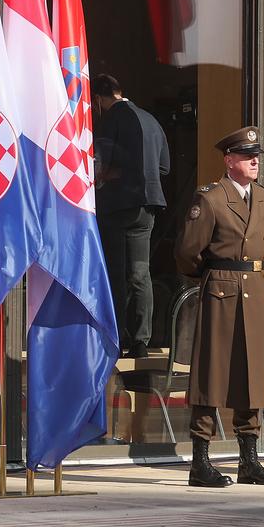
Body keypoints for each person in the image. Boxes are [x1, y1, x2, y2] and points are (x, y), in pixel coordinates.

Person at [176, 125, 264, 488]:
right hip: (221, 289)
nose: (254, 161)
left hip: (255, 289)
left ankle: (248, 460)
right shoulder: (211, 198)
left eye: (256, 157)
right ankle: (200, 461)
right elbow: (188, 254)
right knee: (212, 373)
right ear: (229, 160)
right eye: (247, 156)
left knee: (252, 375)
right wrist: (211, 278)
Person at [93, 73, 171, 357]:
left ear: (100, 99)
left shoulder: (112, 119)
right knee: (140, 273)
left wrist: (107, 177)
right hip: (148, 205)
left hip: (118, 205)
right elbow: (164, 168)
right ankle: (141, 341)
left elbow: (100, 165)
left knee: (116, 272)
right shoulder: (152, 120)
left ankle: (116, 337)